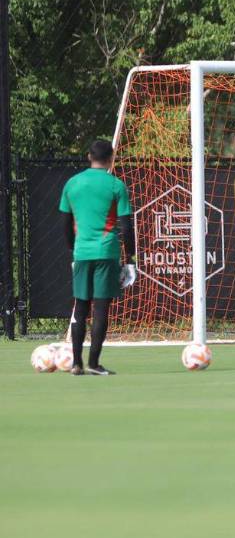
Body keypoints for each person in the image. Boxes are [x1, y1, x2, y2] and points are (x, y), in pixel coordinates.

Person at [59, 140, 137, 374]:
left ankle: (76, 363)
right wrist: (130, 258)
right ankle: (93, 363)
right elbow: (126, 226)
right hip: (107, 252)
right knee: (101, 309)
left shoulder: (72, 184)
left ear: (88, 156)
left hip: (82, 253)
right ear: (111, 158)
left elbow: (64, 223)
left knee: (80, 307)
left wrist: (73, 250)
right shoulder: (116, 185)